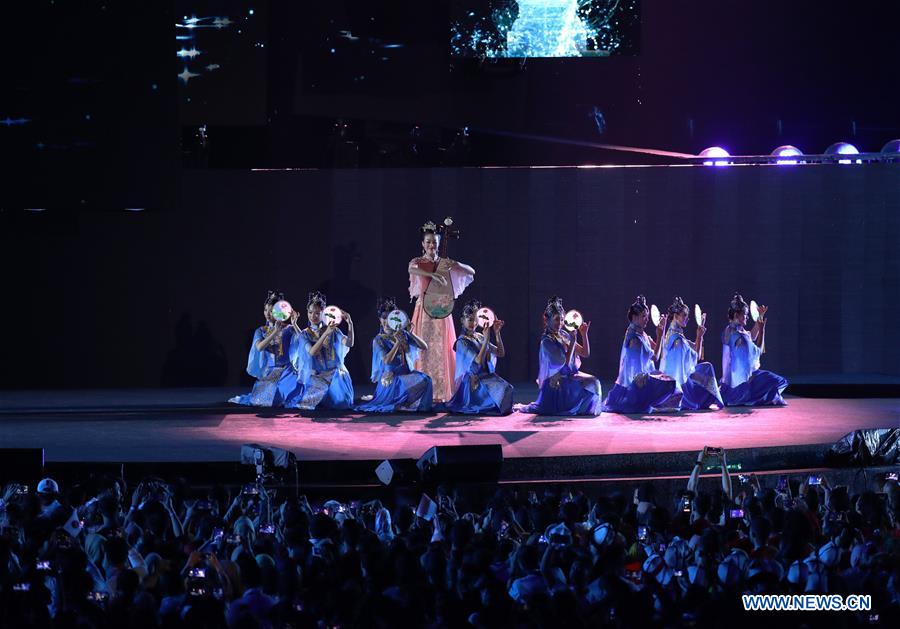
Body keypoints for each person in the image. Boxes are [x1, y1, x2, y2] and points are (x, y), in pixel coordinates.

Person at [408, 220, 475, 403]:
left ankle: (443, 392)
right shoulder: (418, 262)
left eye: (434, 242)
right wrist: (431, 274)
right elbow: (410, 269)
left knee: (442, 350)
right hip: (424, 312)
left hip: (441, 312)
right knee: (423, 351)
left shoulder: (444, 263)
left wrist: (454, 264)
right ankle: (422, 393)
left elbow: (471, 271)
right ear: (423, 244)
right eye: (428, 242)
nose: (431, 245)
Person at [516, 296, 601, 416]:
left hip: (570, 376)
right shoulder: (546, 341)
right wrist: (572, 342)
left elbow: (585, 353)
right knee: (588, 384)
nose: (560, 323)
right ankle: (572, 408)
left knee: (594, 382)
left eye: (561, 320)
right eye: (556, 319)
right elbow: (564, 365)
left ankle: (579, 409)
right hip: (557, 382)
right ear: (547, 320)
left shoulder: (563, 334)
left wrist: (584, 334)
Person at [355, 298, 433, 413]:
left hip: (406, 374)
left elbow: (424, 346)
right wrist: (397, 343)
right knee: (402, 384)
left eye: (389, 318)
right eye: (384, 318)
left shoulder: (403, 334)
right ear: (380, 319)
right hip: (392, 376)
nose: (386, 321)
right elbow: (386, 361)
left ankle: (407, 403)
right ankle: (400, 402)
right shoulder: (379, 339)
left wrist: (411, 333)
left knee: (427, 380)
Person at [602, 295, 677, 414]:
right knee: (668, 384)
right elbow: (656, 357)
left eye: (647, 316)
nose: (647, 319)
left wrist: (661, 333)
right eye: (644, 316)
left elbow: (658, 348)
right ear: (634, 317)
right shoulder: (635, 339)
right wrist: (660, 334)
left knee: (671, 382)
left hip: (642, 377)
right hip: (636, 384)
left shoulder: (640, 333)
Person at [229, 291, 303, 407]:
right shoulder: (261, 330)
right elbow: (259, 347)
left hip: (287, 371)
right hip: (270, 371)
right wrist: (274, 332)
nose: (268, 313)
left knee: (287, 396)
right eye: (266, 310)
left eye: (271, 311)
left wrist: (295, 324)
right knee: (262, 401)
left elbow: (304, 341)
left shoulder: (289, 329)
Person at [444, 300, 514, 415]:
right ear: (462, 320)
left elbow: (500, 353)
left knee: (508, 388)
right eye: (470, 319)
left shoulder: (479, 336)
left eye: (476, 319)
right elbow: (477, 361)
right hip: (473, 381)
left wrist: (497, 333)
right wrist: (486, 339)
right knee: (502, 392)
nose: (473, 323)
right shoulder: (461, 342)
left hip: (486, 377)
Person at [290, 291, 355, 410]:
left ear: (323, 314)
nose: (313, 316)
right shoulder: (305, 334)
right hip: (318, 376)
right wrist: (325, 334)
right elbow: (312, 352)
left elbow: (350, 343)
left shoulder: (333, 330)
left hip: (334, 374)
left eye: (317, 313)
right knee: (307, 403)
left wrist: (350, 324)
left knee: (341, 403)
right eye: (310, 312)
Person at [720, 293, 788, 406]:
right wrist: (762, 330)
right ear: (736, 315)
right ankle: (751, 397)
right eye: (745, 315)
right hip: (742, 379)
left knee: (775, 381)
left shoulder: (736, 332)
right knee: (776, 381)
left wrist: (759, 319)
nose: (747, 317)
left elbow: (750, 336)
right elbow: (759, 350)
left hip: (740, 377)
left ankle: (756, 396)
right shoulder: (733, 333)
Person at [659, 296, 724, 410]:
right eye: (684, 315)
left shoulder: (676, 334)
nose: (687, 319)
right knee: (706, 369)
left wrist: (700, 336)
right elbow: (695, 357)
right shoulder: (677, 339)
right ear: (675, 316)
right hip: (679, 382)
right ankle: (682, 397)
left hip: (680, 378)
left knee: (707, 367)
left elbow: (696, 352)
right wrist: (699, 337)